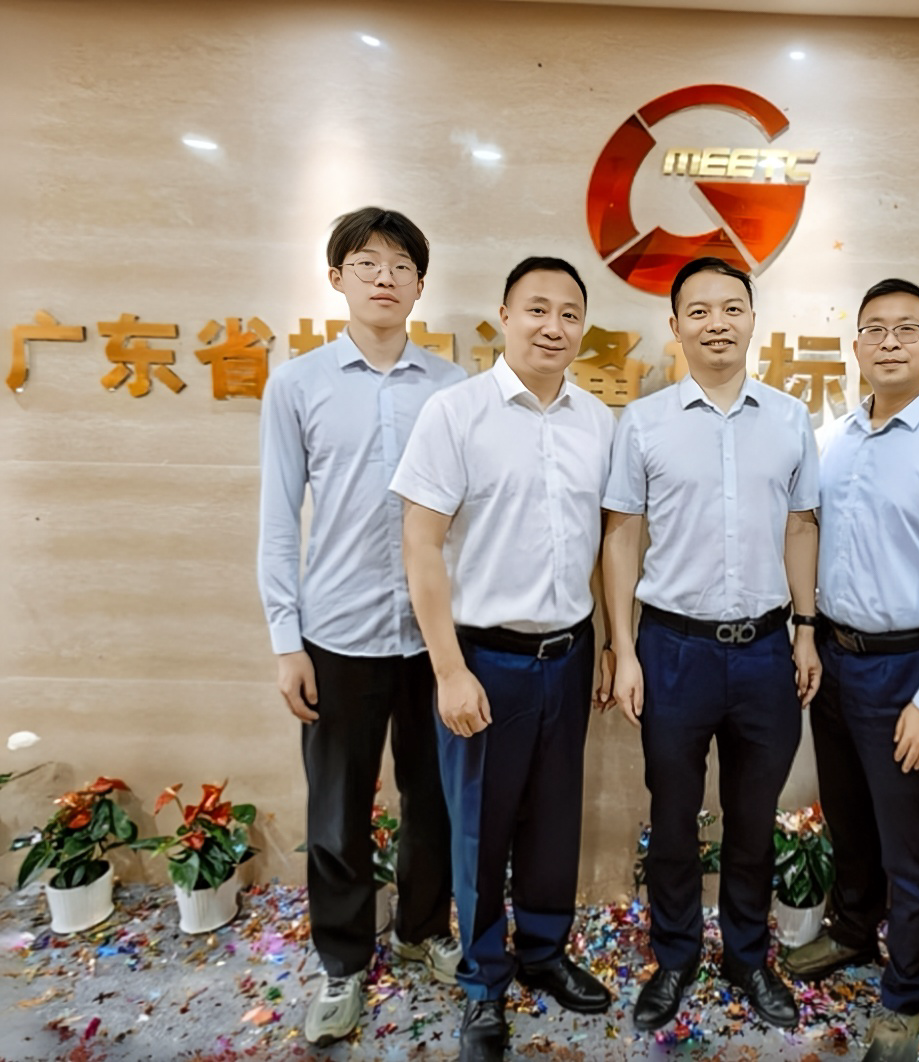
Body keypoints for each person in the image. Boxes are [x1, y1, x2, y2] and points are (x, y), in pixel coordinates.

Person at [391, 257, 616, 1062]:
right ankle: (484, 981)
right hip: (485, 658)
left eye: (569, 313)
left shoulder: (598, 421)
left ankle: (545, 952)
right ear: (504, 316)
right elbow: (420, 544)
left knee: (555, 819)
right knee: (481, 830)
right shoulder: (455, 414)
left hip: (569, 652)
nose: (553, 327)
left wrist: (608, 645)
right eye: (536, 309)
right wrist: (449, 670)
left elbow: (607, 544)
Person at [257, 206, 464, 1047]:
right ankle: (342, 961)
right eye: (366, 262)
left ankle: (421, 931)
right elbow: (278, 518)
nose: (385, 276)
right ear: (336, 277)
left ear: (420, 285)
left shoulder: (453, 387)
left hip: (434, 638)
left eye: (401, 264)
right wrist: (286, 640)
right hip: (336, 634)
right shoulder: (297, 384)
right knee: (339, 811)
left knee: (434, 800)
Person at [601, 257, 821, 1034]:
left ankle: (747, 957)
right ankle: (675, 956)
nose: (716, 323)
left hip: (764, 650)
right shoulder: (644, 422)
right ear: (675, 326)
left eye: (732, 308)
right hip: (672, 649)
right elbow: (620, 536)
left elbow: (801, 527)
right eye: (698, 311)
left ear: (752, 319)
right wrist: (622, 649)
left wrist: (804, 630)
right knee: (672, 816)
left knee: (753, 819)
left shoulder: (789, 418)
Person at [781, 279, 919, 1062]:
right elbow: (803, 536)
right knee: (848, 817)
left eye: (908, 329)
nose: (890, 342)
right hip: (834, 659)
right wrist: (807, 635)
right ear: (856, 346)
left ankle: (907, 991)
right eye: (874, 329)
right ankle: (850, 931)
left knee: (908, 839)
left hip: (908, 667)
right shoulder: (830, 438)